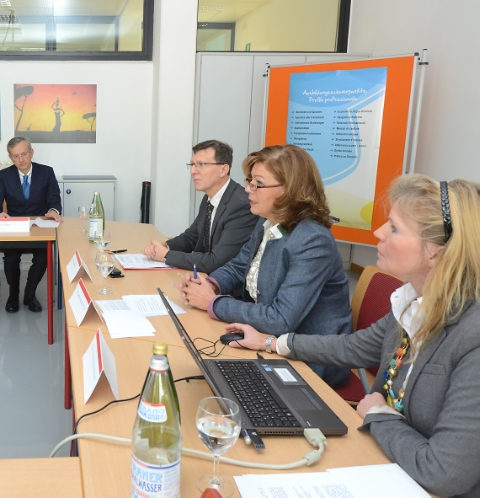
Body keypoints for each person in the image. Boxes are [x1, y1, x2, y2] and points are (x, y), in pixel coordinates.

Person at [225, 174, 480, 497]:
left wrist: (377, 414)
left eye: (394, 228)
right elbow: (353, 347)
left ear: (436, 253)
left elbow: (444, 472)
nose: (378, 232)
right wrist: (270, 343)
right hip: (391, 465)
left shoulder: (472, 335)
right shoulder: (414, 303)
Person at [177, 144, 351, 388]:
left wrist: (212, 302)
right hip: (266, 340)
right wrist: (210, 283)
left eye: (258, 184)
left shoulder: (313, 240)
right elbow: (239, 266)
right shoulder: (267, 223)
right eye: (249, 181)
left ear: (289, 190)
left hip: (311, 361)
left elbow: (280, 319)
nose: (248, 189)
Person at [142, 140, 258, 274]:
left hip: (225, 283)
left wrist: (166, 255)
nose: (193, 171)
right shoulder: (210, 197)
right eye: (192, 165)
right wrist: (165, 247)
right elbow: (192, 237)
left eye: (201, 164)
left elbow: (216, 261)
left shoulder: (241, 205)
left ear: (223, 169)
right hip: (203, 277)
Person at [0, 137, 62, 313]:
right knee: (11, 259)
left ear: (31, 152)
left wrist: (53, 211)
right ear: (10, 157)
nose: (21, 160)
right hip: (15, 228)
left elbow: (54, 200)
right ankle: (13, 296)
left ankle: (30, 295)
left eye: (24, 154)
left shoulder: (46, 172)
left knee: (43, 257)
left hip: (39, 228)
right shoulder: (4, 175)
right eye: (16, 156)